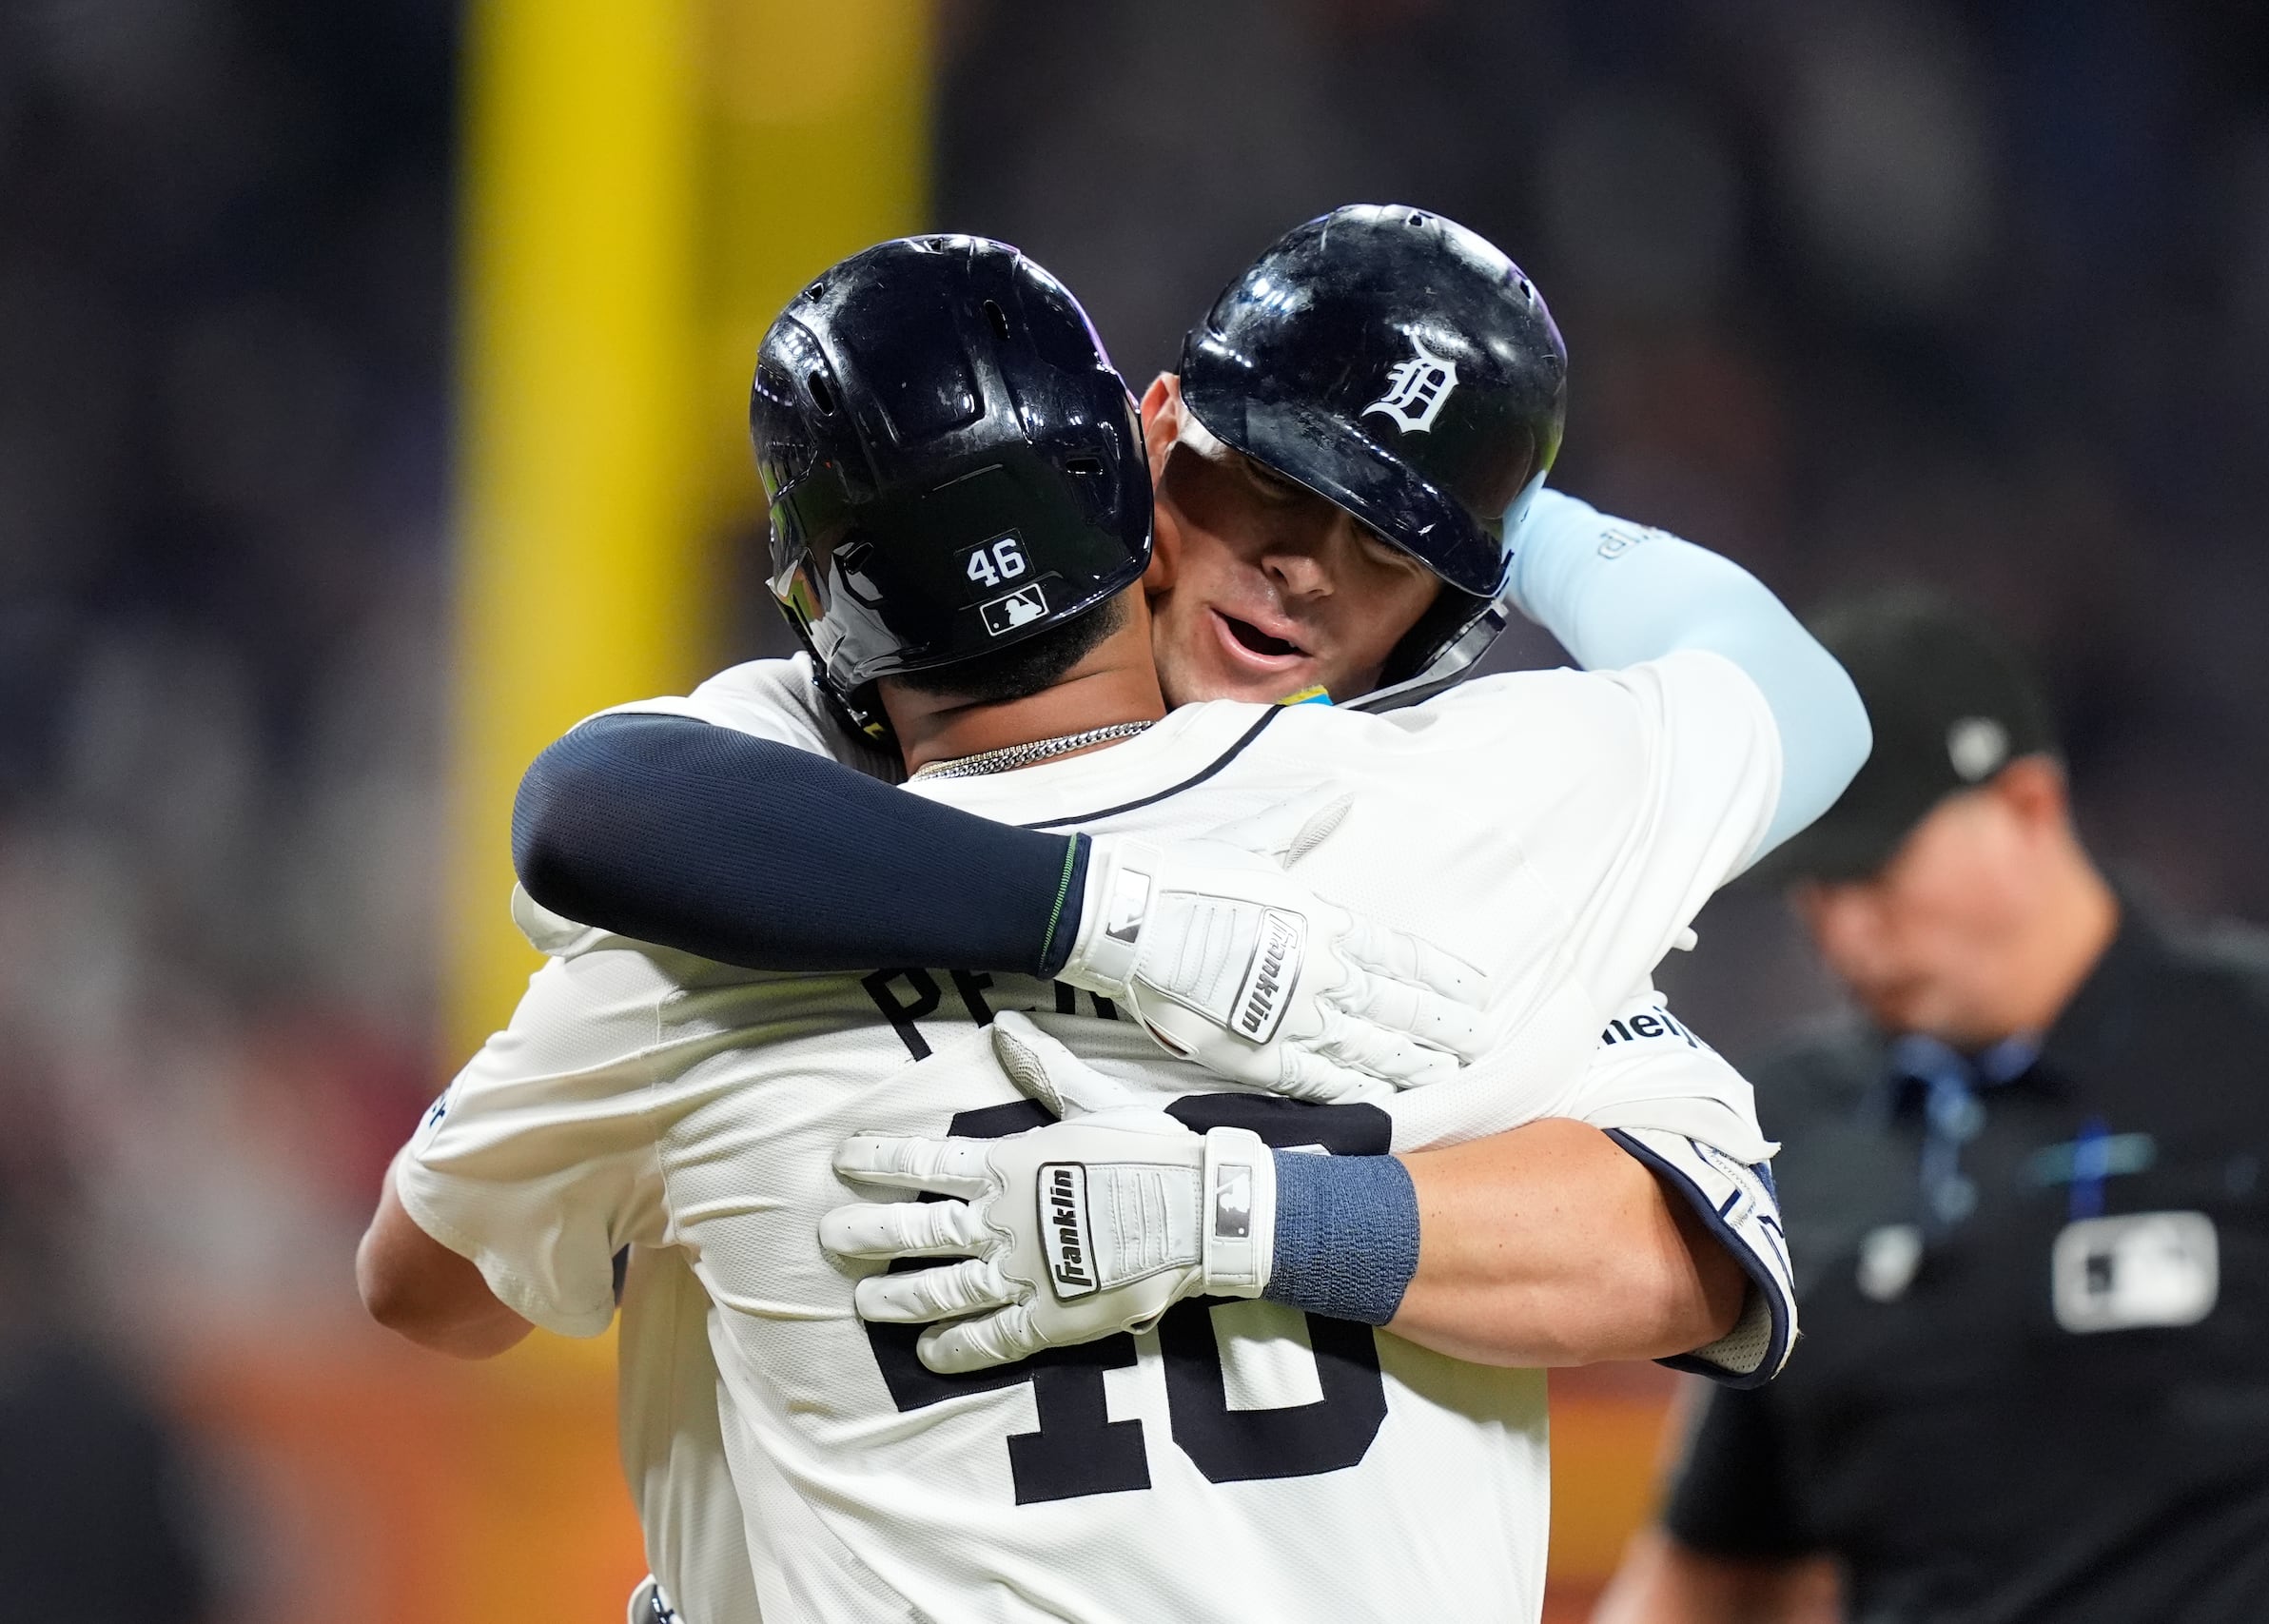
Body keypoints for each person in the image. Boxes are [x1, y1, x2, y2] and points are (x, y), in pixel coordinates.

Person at [358, 236, 1848, 1623]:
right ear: (1143, 446)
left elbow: (1693, 1256)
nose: (1303, 565)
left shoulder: (712, 914)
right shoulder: (1464, 829)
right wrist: (1118, 924)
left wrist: (1239, 1216)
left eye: (1388, 534)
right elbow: (593, 802)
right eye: (1267, 483)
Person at [1600, 589, 2269, 1624]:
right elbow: (1719, 1567)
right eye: (1812, 883)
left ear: (2027, 807)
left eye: (1875, 869)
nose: (1844, 931)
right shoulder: (1787, 1130)